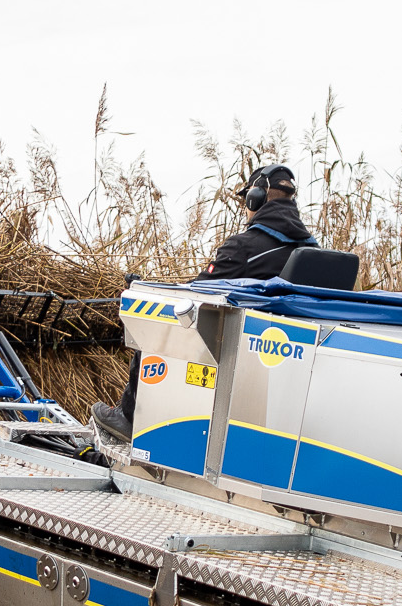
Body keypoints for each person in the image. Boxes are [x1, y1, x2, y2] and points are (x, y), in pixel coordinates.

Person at [91, 164, 315, 444]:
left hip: (235, 354)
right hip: (282, 359)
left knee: (156, 324)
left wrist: (146, 292)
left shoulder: (244, 247)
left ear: (254, 199)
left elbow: (196, 293)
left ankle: (130, 417)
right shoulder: (313, 252)